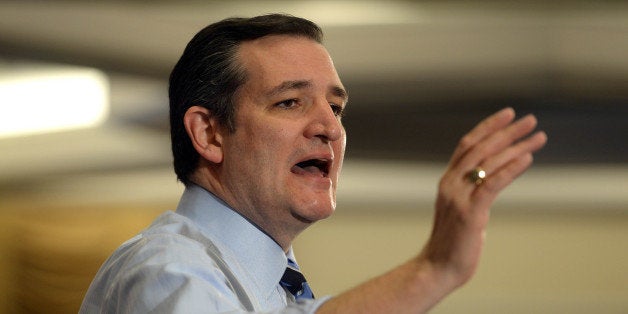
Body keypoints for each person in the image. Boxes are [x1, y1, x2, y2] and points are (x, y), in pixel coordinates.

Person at [80, 13, 547, 313]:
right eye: (289, 103)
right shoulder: (170, 272)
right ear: (209, 132)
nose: (330, 127)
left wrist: (440, 267)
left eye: (336, 108)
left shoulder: (261, 282)